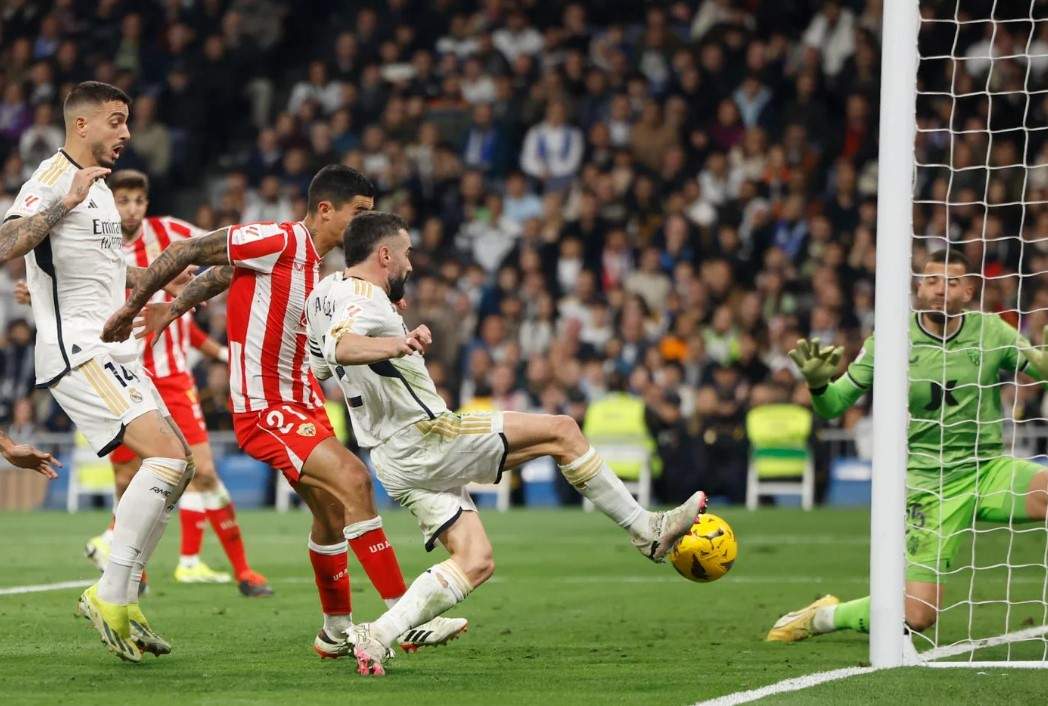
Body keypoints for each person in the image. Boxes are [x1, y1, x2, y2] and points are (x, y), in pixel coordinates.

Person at [304, 212, 708, 677]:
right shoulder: (367, 300)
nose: (410, 264)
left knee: (475, 561)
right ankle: (647, 531)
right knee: (563, 431)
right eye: (407, 253)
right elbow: (341, 347)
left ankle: (377, 635)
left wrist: (383, 345)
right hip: (426, 438)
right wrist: (396, 344)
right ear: (384, 255)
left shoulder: (324, 293)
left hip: (391, 459)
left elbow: (320, 365)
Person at [101, 166, 467, 658]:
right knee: (355, 480)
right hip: (265, 407)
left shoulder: (316, 265)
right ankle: (403, 615)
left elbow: (224, 275)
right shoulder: (280, 240)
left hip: (304, 401)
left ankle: (334, 631)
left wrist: (176, 307)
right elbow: (187, 251)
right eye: (358, 212)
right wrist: (139, 307)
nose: (365, 222)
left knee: (331, 512)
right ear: (325, 210)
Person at [0, 81, 196, 663]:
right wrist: (65, 200)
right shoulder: (53, 179)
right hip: (77, 350)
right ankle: (109, 592)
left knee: (180, 463)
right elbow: (7, 242)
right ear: (81, 124)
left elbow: (104, 270)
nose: (127, 132)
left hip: (113, 347)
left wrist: (158, 280)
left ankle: (124, 596)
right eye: (116, 120)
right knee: (166, 458)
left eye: (128, 120)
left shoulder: (103, 190)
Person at [767, 249, 1048, 642]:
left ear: (968, 291)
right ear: (919, 287)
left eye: (951, 282)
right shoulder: (891, 339)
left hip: (988, 469)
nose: (940, 290)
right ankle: (823, 617)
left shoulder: (991, 330)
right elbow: (834, 405)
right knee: (917, 614)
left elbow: (1040, 369)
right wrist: (816, 383)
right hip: (929, 484)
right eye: (931, 281)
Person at [86, 169, 271, 595]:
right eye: (123, 200)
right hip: (121, 375)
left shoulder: (169, 232)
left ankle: (243, 571)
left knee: (203, 470)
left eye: (138, 200)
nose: (131, 209)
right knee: (126, 480)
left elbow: (226, 246)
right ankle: (135, 570)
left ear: (147, 204)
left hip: (172, 377)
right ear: (110, 204)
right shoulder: (96, 242)